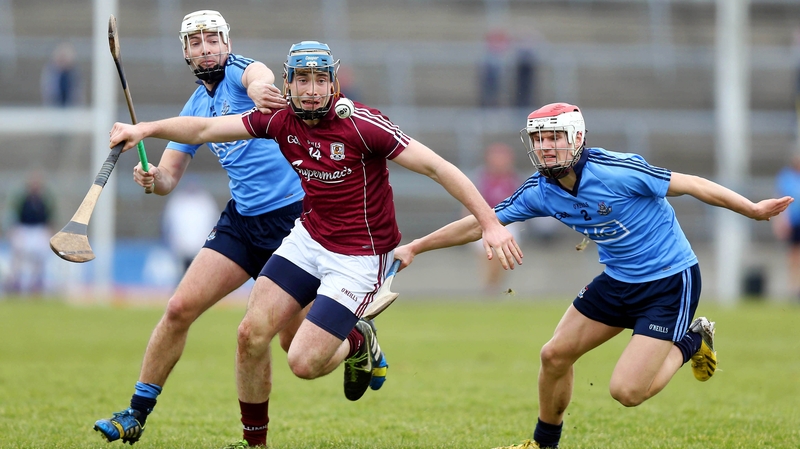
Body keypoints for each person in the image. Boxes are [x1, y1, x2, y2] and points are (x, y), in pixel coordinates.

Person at [108, 40, 522, 448]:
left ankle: (357, 340)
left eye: (320, 80)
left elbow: (438, 167)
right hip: (307, 239)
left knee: (302, 362)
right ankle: (255, 444)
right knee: (250, 334)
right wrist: (145, 129)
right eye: (302, 80)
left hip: (359, 257)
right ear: (288, 84)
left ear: (333, 84)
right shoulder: (280, 120)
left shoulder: (363, 125)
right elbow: (203, 129)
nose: (311, 90)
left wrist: (490, 223)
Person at [392, 103, 794, 449]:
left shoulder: (617, 171)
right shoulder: (540, 190)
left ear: (578, 138)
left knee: (627, 392)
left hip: (669, 282)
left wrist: (751, 209)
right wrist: (416, 246)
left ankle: (694, 339)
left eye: (554, 137)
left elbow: (692, 184)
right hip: (617, 280)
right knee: (554, 356)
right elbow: (481, 222)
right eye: (539, 139)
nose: (545, 146)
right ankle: (543, 443)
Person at [93, 11, 328, 446]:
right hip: (242, 222)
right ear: (186, 52)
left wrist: (259, 89)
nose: (206, 49)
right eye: (196, 42)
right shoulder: (195, 107)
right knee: (178, 308)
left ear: (227, 43)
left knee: (294, 343)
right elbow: (168, 177)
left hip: (293, 222)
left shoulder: (241, 73)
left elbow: (258, 77)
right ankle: (136, 412)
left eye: (213, 40)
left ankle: (358, 340)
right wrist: (151, 178)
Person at [472, 142, 524, 294]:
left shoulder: (513, 178)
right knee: (488, 256)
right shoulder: (482, 177)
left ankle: (494, 286)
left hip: (507, 222)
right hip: (484, 222)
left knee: (502, 258)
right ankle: (490, 286)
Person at [4, 171, 55, 295]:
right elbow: (12, 215)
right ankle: (15, 281)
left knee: (41, 254)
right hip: (23, 229)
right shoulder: (21, 199)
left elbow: (50, 217)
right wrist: (12, 230)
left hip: (39, 230)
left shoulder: (44, 200)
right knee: (17, 254)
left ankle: (36, 282)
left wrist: (50, 230)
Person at [161, 177, 220, 274]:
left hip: (201, 245)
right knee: (184, 273)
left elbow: (214, 222)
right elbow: (169, 222)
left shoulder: (205, 200)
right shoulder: (178, 200)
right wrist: (170, 240)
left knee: (200, 273)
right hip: (182, 245)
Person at [774, 153, 800, 298]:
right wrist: (781, 222)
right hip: (794, 222)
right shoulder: (787, 177)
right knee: (794, 255)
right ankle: (794, 287)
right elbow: (781, 199)